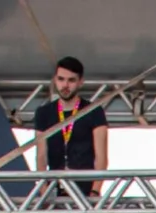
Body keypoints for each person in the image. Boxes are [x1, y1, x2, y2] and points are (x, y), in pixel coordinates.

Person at [25, 56, 109, 187]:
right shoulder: (43, 113)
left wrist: (95, 191)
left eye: (71, 80)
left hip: (85, 190)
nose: (65, 85)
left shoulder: (94, 111)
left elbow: (101, 158)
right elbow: (41, 157)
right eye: (61, 79)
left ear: (81, 82)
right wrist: (43, 192)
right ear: (55, 80)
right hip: (53, 188)